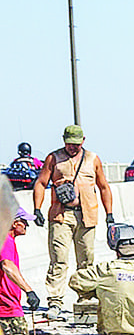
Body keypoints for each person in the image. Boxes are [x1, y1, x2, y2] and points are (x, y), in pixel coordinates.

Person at [32, 125, 115, 321]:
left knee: (86, 259)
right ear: (64, 141)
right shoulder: (54, 158)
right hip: (61, 216)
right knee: (58, 259)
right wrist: (37, 208)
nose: (73, 148)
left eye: (76, 144)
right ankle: (55, 302)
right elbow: (41, 183)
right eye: (69, 144)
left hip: (87, 215)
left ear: (83, 141)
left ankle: (84, 299)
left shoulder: (92, 159)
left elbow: (103, 187)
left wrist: (109, 214)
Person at [0, 207, 41, 335]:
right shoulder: (5, 241)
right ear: (13, 223)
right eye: (24, 221)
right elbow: (7, 265)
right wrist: (29, 291)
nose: (27, 225)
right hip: (6, 309)